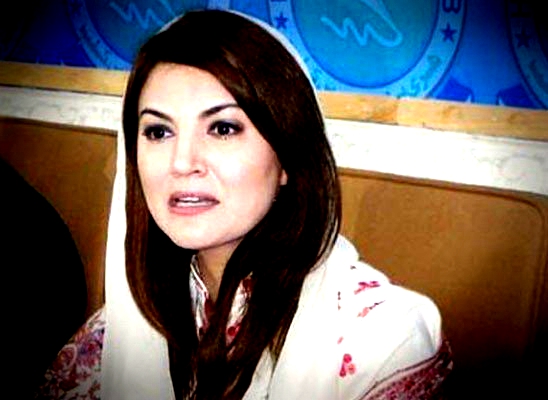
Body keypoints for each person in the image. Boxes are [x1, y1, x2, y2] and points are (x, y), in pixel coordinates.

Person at [35, 9, 452, 400]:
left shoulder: (385, 342)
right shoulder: (116, 334)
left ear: (286, 156)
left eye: (222, 128)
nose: (181, 162)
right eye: (159, 132)